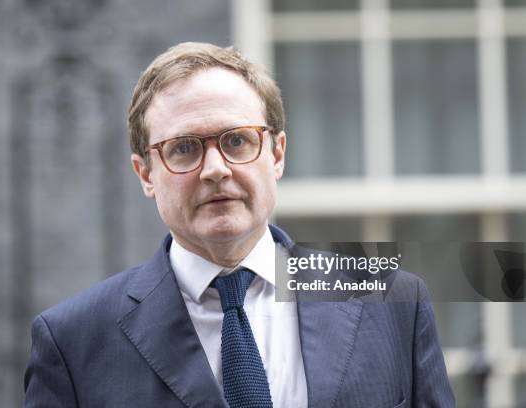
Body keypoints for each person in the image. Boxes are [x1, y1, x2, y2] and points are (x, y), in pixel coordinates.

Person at [24, 42, 455, 407]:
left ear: (278, 154)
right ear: (145, 175)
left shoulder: (395, 304)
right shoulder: (72, 342)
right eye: (184, 148)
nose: (215, 169)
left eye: (237, 141)